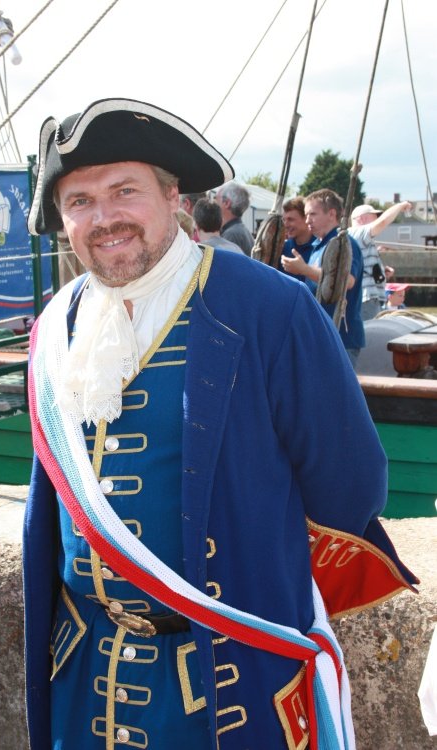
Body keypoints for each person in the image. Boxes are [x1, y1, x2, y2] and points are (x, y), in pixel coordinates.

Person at [24, 98, 417, 750]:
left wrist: (261, 575)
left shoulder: (270, 308)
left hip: (229, 680)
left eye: (125, 190)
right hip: (86, 683)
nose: (105, 217)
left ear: (173, 196)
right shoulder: (53, 329)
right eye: (80, 201)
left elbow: (350, 486)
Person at [281, 188, 365, 369]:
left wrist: (304, 269)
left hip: (341, 337)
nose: (307, 220)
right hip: (321, 335)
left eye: (312, 214)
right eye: (306, 215)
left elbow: (347, 281)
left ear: (331, 214)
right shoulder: (318, 246)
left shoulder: (344, 243)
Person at [349, 202, 411, 321]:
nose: (376, 220)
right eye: (373, 216)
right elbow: (383, 222)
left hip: (366, 297)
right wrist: (399, 206)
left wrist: (382, 272)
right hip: (366, 298)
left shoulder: (356, 237)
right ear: (361, 218)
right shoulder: (359, 233)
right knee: (371, 330)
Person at [280, 196, 316, 281]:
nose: (286, 225)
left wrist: (304, 270)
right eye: (284, 220)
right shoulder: (282, 248)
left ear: (306, 218)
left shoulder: (320, 248)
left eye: (290, 219)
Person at [215, 182, 254, 255]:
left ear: (227, 203)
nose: (213, 203)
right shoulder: (242, 231)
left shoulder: (231, 235)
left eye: (215, 198)